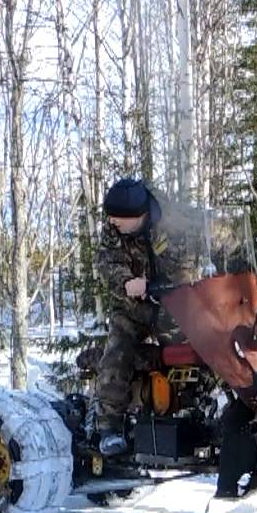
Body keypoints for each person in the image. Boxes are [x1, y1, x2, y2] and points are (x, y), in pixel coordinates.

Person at [93, 178, 177, 456]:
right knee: (119, 349)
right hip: (133, 306)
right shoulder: (113, 232)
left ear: (139, 216)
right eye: (111, 216)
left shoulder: (168, 220)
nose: (112, 221)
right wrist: (128, 282)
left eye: (119, 217)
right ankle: (109, 426)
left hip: (174, 303)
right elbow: (108, 264)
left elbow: (200, 239)